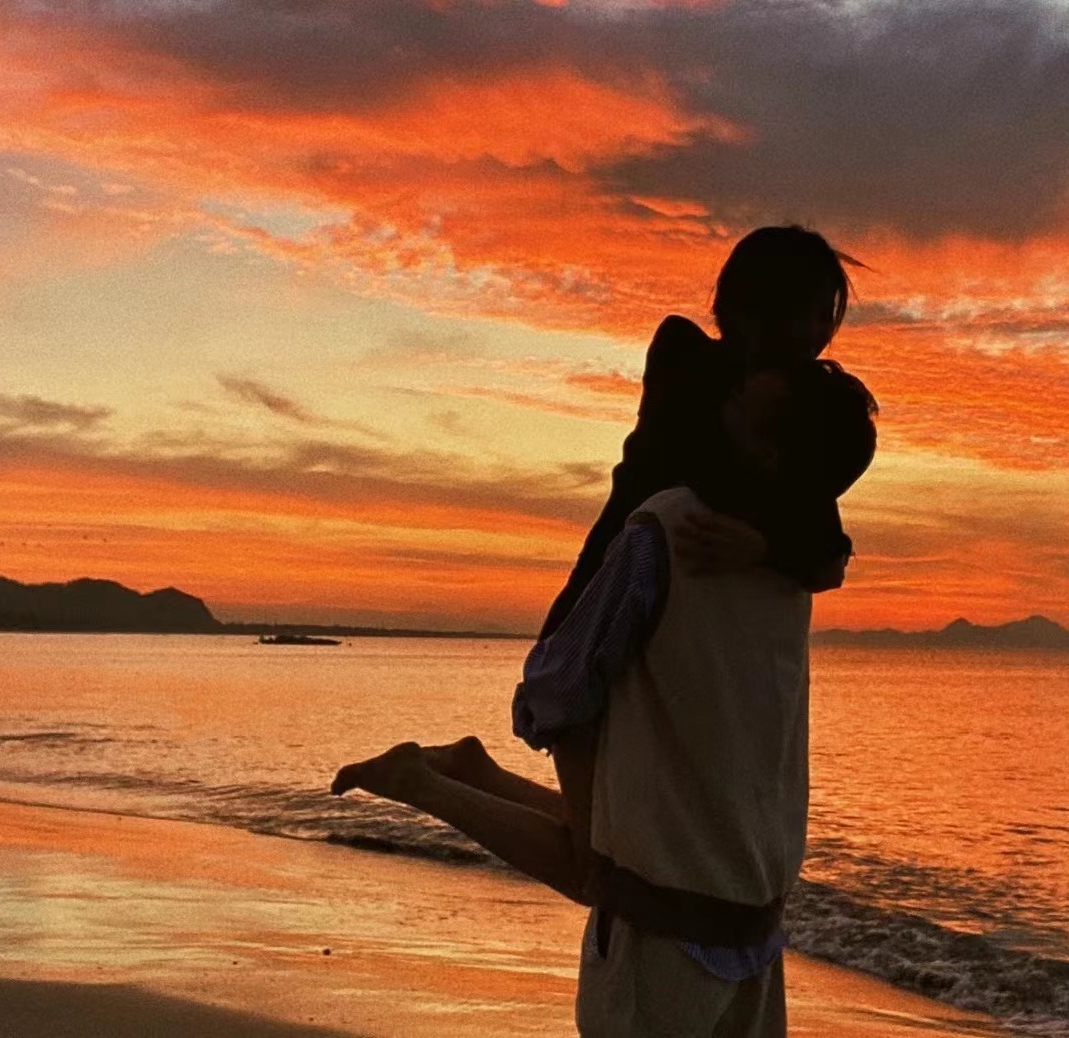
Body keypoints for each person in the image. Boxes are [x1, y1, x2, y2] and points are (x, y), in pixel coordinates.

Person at [332, 358, 879, 1036]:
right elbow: (556, 685)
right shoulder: (678, 530)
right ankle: (428, 783)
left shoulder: (790, 557)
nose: (730, 395)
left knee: (593, 853)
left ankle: (458, 776)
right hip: (664, 932)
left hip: (752, 932)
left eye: (747, 402)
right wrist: (571, 747)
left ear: (773, 455)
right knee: (593, 862)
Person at [541, 224, 862, 640]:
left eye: (826, 316)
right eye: (805, 313)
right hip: (609, 605)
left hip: (711, 645)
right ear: (756, 305)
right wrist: (777, 525)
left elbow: (829, 562)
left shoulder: (802, 411)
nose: (818, 333)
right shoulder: (684, 358)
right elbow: (691, 465)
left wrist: (765, 547)